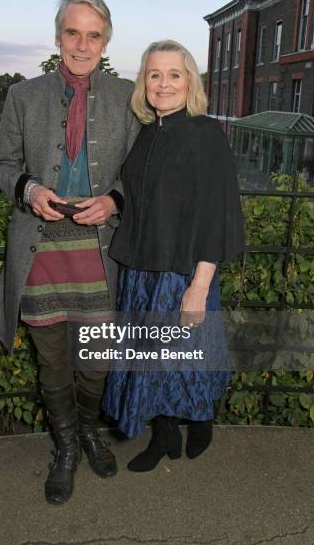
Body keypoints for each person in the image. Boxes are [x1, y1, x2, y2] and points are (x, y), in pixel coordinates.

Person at [0, 0, 139, 503]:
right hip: (40, 251)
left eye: (93, 35)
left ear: (106, 41)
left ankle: (89, 430)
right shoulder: (22, 95)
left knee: (95, 361)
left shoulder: (128, 96)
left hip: (100, 250)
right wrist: (28, 189)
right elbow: (4, 164)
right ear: (58, 37)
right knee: (52, 363)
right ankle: (67, 448)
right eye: (72, 32)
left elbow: (141, 170)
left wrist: (115, 198)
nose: (81, 44)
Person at [102, 40, 245, 471]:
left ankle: (201, 421)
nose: (163, 84)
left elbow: (217, 214)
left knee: (187, 360)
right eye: (154, 74)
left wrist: (199, 288)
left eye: (174, 74)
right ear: (143, 82)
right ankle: (164, 435)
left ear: (190, 81)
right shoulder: (147, 132)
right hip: (141, 269)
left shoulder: (205, 135)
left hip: (183, 272)